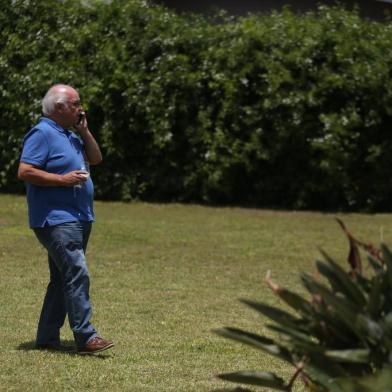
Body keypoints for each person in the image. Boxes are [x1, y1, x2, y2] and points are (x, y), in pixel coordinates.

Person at [18, 84, 114, 354]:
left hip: (80, 217)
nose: (81, 108)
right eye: (76, 103)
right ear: (59, 107)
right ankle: (86, 336)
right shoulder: (43, 133)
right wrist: (62, 180)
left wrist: (84, 130)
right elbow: (25, 170)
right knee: (76, 272)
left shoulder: (70, 135)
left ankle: (47, 337)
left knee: (63, 277)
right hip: (56, 219)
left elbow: (95, 158)